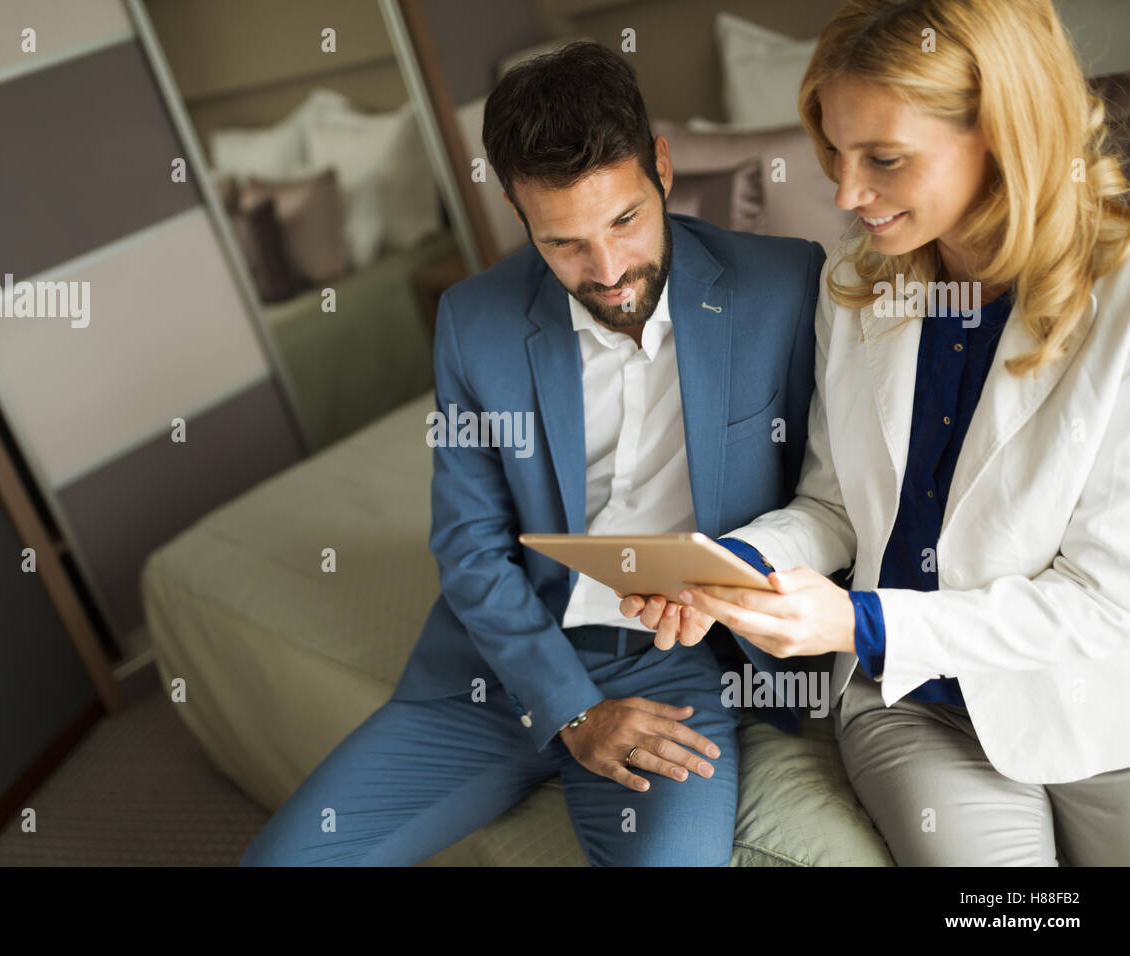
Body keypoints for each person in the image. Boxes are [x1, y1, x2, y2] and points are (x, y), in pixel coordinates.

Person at [241, 41, 824, 866]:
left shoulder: (785, 284)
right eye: (564, 244)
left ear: (660, 165)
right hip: (496, 668)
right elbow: (468, 544)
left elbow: (825, 495)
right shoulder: (473, 322)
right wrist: (573, 712)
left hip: (676, 664)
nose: (610, 270)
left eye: (624, 219)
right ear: (521, 217)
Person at [620, 0, 1130, 866]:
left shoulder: (1117, 304)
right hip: (915, 704)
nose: (847, 195)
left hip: (1093, 694)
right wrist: (735, 568)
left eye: (884, 160)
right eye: (837, 153)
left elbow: (1106, 605)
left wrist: (862, 620)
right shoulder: (859, 281)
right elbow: (836, 503)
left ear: (1005, 135)